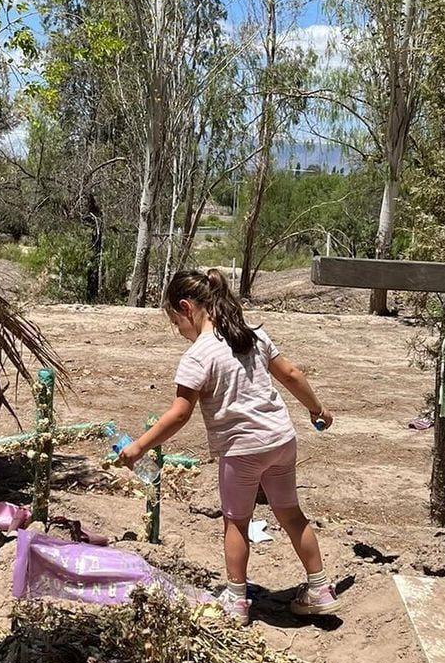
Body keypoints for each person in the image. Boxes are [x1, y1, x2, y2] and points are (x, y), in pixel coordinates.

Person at [117, 267, 340, 626]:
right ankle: (319, 588)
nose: (179, 331)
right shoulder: (252, 336)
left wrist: (139, 447)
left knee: (236, 522)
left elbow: (179, 414)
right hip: (281, 440)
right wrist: (318, 409)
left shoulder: (198, 355)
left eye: (176, 322)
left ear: (187, 308)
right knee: (291, 515)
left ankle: (236, 599)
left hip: (241, 450)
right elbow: (292, 375)